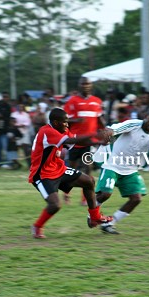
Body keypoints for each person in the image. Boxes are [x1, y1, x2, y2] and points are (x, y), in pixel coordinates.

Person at [28, 107, 112, 239]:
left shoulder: (62, 129)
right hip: (42, 175)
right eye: (65, 122)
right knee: (55, 205)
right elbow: (69, 141)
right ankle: (37, 226)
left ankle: (94, 217)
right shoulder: (47, 131)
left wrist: (98, 141)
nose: (67, 125)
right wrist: (94, 134)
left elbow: (77, 140)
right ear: (55, 122)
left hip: (58, 168)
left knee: (89, 181)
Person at [93, 108, 149, 234]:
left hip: (130, 170)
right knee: (105, 194)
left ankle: (109, 223)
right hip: (112, 165)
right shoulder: (134, 124)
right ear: (145, 116)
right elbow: (115, 128)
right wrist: (109, 131)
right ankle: (92, 215)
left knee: (136, 198)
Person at [64, 76, 105, 206]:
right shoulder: (72, 101)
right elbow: (64, 120)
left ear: (91, 85)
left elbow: (99, 119)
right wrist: (75, 121)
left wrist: (105, 131)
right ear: (79, 85)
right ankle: (66, 194)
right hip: (75, 141)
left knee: (87, 169)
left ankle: (84, 199)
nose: (85, 86)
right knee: (72, 169)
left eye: (88, 84)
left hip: (89, 142)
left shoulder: (97, 101)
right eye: (83, 84)